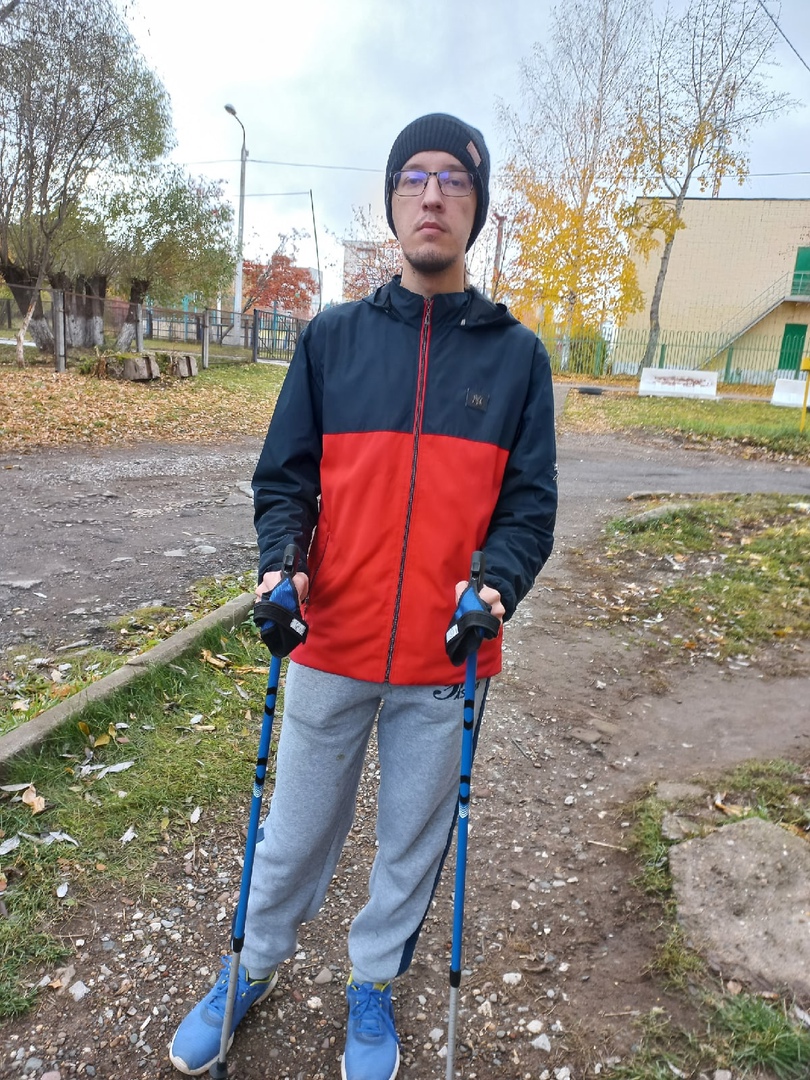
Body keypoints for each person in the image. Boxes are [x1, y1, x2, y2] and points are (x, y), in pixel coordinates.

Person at [169, 112, 557, 1080]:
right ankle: (251, 964)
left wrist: (496, 586)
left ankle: (373, 982)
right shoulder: (331, 339)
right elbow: (285, 479)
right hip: (331, 639)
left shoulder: (518, 358)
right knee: (294, 832)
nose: (433, 195)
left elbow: (530, 506)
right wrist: (282, 562)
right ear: (391, 200)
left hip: (445, 654)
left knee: (411, 844)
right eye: (415, 176)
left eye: (455, 180)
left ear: (475, 208)